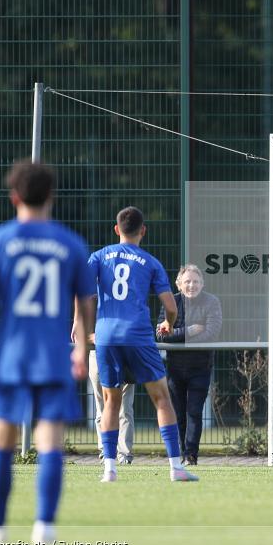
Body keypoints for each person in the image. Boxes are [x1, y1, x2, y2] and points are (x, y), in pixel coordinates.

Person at [0, 160, 96, 545]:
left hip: (13, 358)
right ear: (51, 197)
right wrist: (81, 348)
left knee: (2, 442)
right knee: (51, 442)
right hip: (54, 357)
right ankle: (45, 527)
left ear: (14, 196)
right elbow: (87, 302)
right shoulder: (70, 243)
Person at [85, 206, 197, 482]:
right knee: (161, 398)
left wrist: (87, 330)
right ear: (143, 230)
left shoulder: (98, 257)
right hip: (137, 335)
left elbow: (84, 297)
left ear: (116, 229)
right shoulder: (150, 262)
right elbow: (170, 306)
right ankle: (175, 467)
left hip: (107, 336)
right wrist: (169, 323)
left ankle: (109, 468)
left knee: (111, 401)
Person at [156, 264, 222, 466]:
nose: (191, 285)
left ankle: (190, 456)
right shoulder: (171, 303)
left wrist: (176, 335)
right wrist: (191, 331)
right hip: (175, 368)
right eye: (187, 281)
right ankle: (178, 456)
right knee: (177, 413)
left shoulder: (211, 302)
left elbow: (212, 333)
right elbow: (159, 334)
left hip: (201, 367)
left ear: (202, 283)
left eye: (195, 281)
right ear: (179, 284)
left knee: (194, 411)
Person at [87, 350, 135, 464]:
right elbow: (80, 336)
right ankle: (106, 452)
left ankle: (124, 454)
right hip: (99, 353)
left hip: (125, 352)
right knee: (102, 408)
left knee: (125, 408)